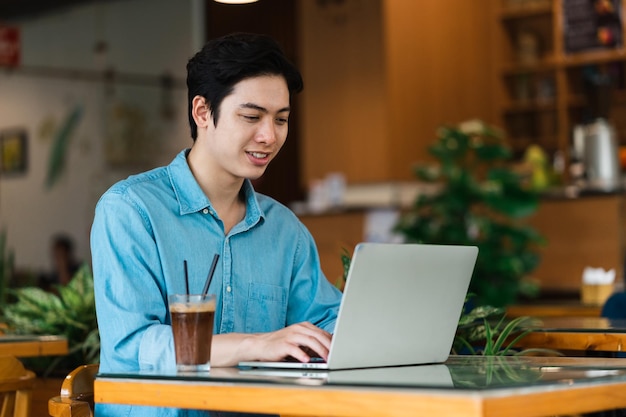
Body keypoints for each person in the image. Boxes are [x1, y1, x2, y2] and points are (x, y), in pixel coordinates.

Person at [90, 32, 343, 417]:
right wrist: (254, 345)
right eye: (252, 116)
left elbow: (329, 322)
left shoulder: (284, 230)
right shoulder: (130, 211)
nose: (269, 136)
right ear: (203, 112)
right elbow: (134, 345)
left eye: (282, 119)